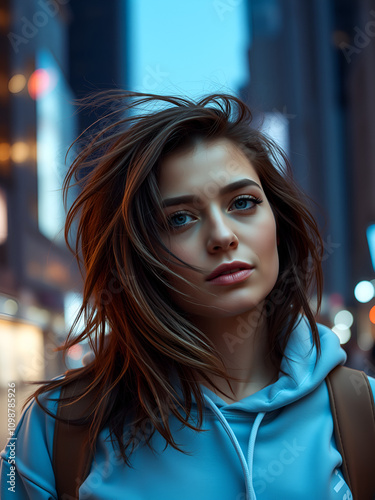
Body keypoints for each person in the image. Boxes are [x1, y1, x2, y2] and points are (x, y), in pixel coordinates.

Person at [1, 90, 373, 500]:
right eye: (180, 218)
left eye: (243, 202)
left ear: (279, 222)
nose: (222, 236)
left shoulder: (362, 410)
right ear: (138, 255)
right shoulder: (57, 428)